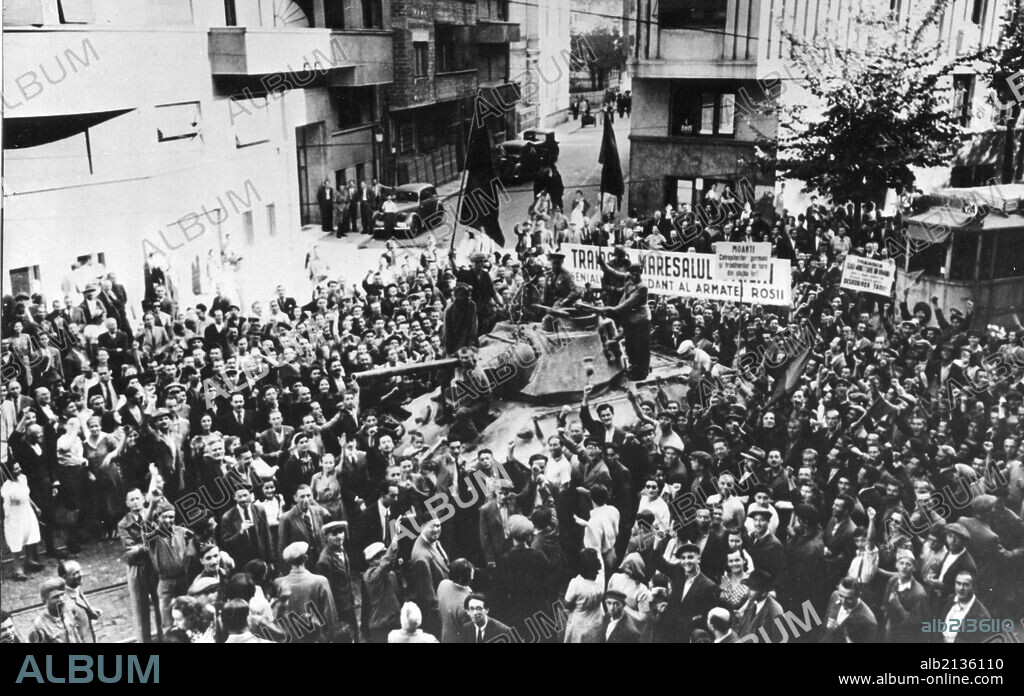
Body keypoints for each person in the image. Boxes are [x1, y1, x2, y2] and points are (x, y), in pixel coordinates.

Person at [590, 261, 651, 380]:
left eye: (636, 274)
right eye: (631, 273)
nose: (633, 276)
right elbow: (615, 273)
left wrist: (605, 309)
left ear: (640, 272)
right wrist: (603, 265)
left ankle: (642, 372)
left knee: (640, 346)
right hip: (630, 318)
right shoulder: (629, 278)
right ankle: (633, 366)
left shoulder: (642, 287)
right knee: (630, 344)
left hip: (641, 320)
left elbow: (623, 306)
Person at [274, 541, 338, 643]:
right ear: (306, 558)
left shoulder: (278, 583)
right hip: (316, 638)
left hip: (291, 638)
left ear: (288, 562)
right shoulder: (320, 581)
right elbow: (330, 615)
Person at [1, 460, 43, 580]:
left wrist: (35, 507)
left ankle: (29, 560)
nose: (19, 470)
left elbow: (26, 496)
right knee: (17, 539)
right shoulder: (6, 487)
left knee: (30, 535)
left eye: (19, 467)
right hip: (15, 515)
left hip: (26, 510)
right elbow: (6, 505)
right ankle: (17, 567)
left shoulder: (23, 478)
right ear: (9, 472)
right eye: (16, 469)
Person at [315, 520, 357, 639]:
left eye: (341, 532)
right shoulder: (324, 561)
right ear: (326, 537)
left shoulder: (341, 550)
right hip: (339, 608)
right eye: (334, 534)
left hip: (349, 603)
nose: (339, 536)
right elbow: (327, 591)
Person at [408, 517, 450, 637]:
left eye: (439, 525)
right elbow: (429, 597)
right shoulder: (422, 557)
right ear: (422, 527)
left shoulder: (430, 541)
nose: (437, 529)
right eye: (433, 526)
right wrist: (443, 618)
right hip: (436, 616)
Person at [277, 484, 327, 571]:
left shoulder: (317, 511)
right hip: (301, 564)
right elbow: (282, 546)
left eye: (308, 496)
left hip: (319, 560)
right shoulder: (287, 518)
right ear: (295, 498)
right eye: (302, 497)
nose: (306, 500)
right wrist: (287, 570)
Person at [361, 541, 402, 643]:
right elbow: (387, 561)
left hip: (395, 622)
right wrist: (395, 538)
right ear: (370, 562)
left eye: (384, 554)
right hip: (380, 626)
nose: (383, 559)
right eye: (379, 557)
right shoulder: (370, 576)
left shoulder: (391, 574)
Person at [563, 547, 605, 643]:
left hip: (580, 623)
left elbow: (567, 604)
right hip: (596, 621)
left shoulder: (576, 583)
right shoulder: (600, 581)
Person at [735, 568, 787, 643]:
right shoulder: (752, 602)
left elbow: (778, 640)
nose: (747, 591)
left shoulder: (775, 613)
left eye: (752, 589)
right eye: (748, 587)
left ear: (763, 593)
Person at [821, 576, 877, 643]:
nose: (843, 602)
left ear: (858, 595)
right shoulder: (835, 595)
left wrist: (839, 632)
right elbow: (825, 626)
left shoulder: (869, 620)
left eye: (849, 598)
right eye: (841, 596)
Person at [58, 560, 102, 643]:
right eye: (75, 573)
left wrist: (90, 611)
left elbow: (79, 602)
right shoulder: (66, 604)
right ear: (64, 578)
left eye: (80, 570)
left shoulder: (74, 587)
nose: (81, 574)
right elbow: (71, 635)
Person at [28, 577, 83, 643]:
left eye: (62, 594)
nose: (61, 599)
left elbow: (78, 636)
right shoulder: (39, 625)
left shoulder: (69, 612)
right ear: (45, 600)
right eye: (56, 597)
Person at [437, 557, 474, 644]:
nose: (472, 577)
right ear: (463, 577)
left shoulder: (443, 584)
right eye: (471, 575)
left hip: (446, 637)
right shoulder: (467, 605)